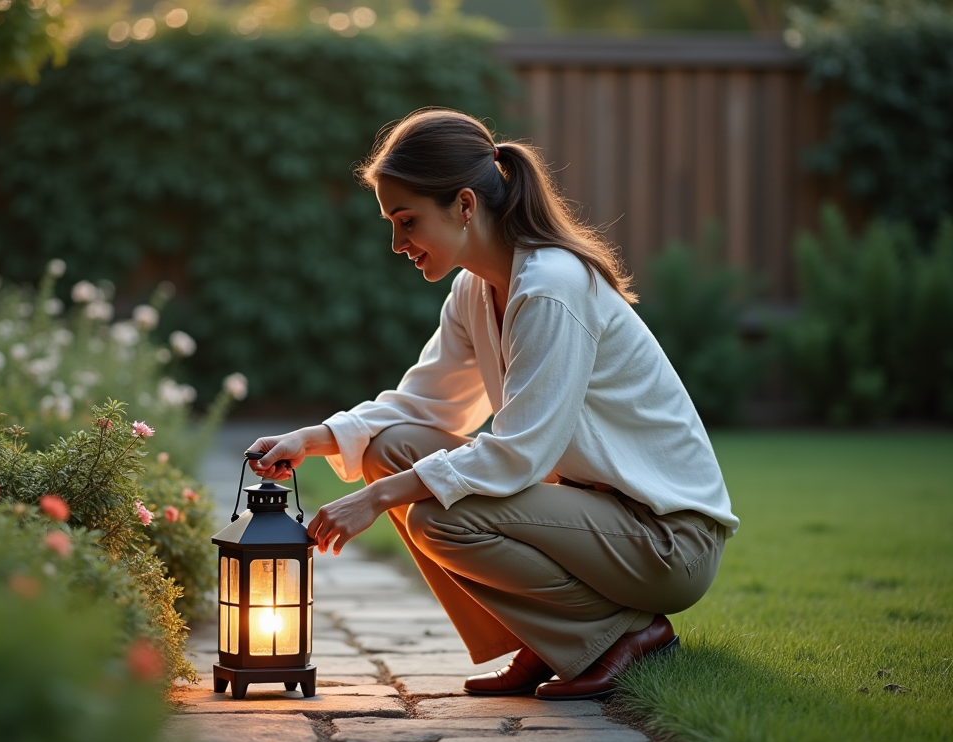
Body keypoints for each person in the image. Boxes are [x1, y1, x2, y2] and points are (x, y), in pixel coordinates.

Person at [247, 108, 738, 700]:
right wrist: (313, 437)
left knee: (435, 513)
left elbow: (519, 452)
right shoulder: (475, 289)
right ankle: (550, 637)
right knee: (391, 450)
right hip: (594, 518)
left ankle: (619, 636)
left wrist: (376, 499)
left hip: (666, 540)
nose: (397, 243)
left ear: (464, 205)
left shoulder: (552, 286)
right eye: (391, 223)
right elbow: (422, 408)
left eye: (407, 220)